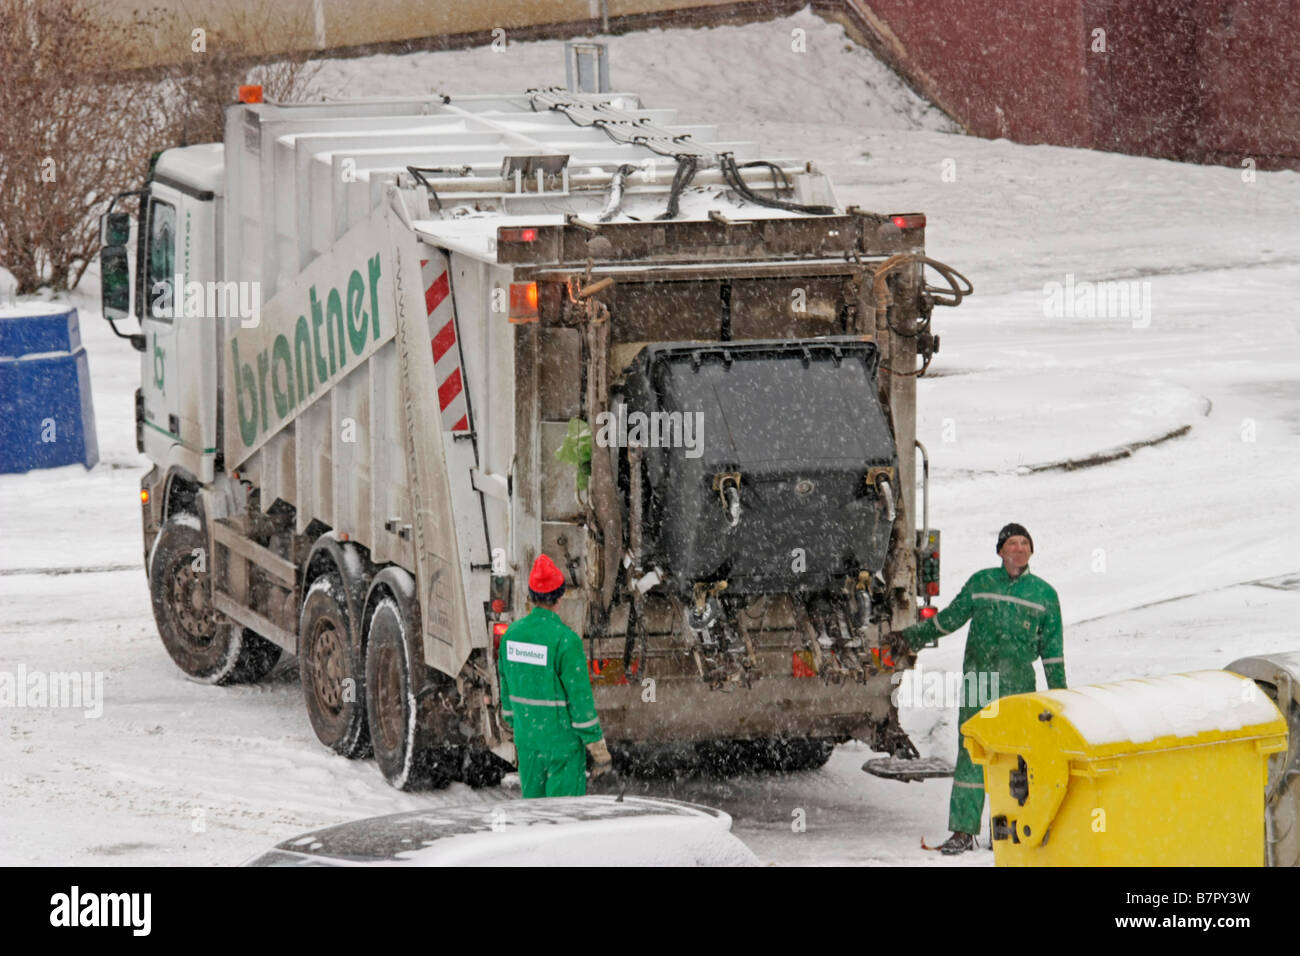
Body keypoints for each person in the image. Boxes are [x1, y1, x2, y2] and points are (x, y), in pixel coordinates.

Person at [888, 523, 1065, 854]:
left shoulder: (1044, 595)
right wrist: (910, 637)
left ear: (1032, 551)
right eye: (1012, 543)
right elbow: (950, 619)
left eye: (1025, 543)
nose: (1019, 549)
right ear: (1000, 551)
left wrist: (1061, 696)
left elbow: (1052, 652)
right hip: (979, 683)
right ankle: (963, 831)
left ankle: (1016, 832)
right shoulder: (981, 583)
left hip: (1018, 689)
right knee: (972, 754)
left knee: (1017, 759)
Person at [497, 554, 612, 797]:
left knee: (534, 816)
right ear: (559, 598)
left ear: (530, 597)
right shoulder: (566, 642)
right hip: (563, 746)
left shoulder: (511, 637)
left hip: (528, 742)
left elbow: (506, 692)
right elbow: (581, 704)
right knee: (563, 822)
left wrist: (519, 722)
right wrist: (598, 749)